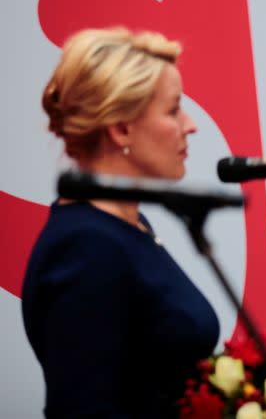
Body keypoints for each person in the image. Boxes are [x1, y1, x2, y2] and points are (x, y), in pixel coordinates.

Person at [22, 27, 219, 418]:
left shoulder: (129, 225)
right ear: (121, 128)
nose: (191, 124)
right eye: (173, 108)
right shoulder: (85, 247)